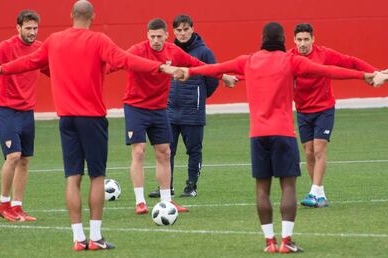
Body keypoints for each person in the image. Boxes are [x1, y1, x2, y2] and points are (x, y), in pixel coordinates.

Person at [171, 22, 374, 253]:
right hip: (284, 133)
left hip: (258, 135)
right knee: (288, 187)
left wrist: (188, 71)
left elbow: (215, 68)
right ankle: (286, 241)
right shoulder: (291, 60)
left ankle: (269, 242)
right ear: (286, 39)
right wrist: (365, 75)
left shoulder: (248, 61)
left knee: (262, 190)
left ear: (262, 38)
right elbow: (328, 71)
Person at [0, 0, 172, 251]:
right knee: (97, 177)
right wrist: (160, 67)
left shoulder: (54, 40)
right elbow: (126, 60)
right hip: (92, 119)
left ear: (71, 15)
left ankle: (77, 238)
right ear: (92, 17)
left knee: (72, 177)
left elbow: (28, 62)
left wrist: (0, 68)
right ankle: (94, 237)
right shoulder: (99, 40)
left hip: (67, 120)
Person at [290, 23, 377, 208]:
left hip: (324, 109)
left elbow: (351, 62)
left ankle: (314, 192)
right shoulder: (289, 58)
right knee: (308, 153)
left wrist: (374, 72)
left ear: (313, 39)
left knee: (319, 150)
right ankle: (319, 194)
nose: (303, 43)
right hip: (303, 111)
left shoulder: (324, 54)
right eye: (299, 40)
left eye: (306, 39)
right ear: (294, 40)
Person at [0, 10, 49, 222]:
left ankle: (17, 206)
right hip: (6, 110)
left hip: (27, 111)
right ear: (18, 28)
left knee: (24, 160)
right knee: (13, 156)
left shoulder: (40, 48)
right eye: (28, 28)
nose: (32, 32)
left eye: (35, 28)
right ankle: (3, 204)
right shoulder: (6, 47)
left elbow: (49, 70)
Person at [148, 14, 219, 198]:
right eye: (178, 30)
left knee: (193, 150)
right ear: (173, 32)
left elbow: (213, 77)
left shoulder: (204, 52)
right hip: (169, 111)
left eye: (186, 29)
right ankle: (166, 187)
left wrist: (200, 95)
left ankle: (191, 186)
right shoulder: (168, 51)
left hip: (193, 111)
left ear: (192, 29)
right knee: (166, 150)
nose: (182, 33)